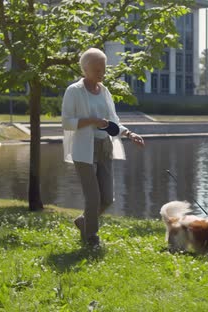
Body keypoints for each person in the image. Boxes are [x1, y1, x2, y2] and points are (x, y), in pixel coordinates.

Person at [62, 47, 145, 248]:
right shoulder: (74, 91)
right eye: (97, 69)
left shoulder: (105, 91)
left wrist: (129, 133)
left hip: (104, 146)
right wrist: (91, 121)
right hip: (84, 150)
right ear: (85, 70)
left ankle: (84, 222)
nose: (102, 73)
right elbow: (67, 123)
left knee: (107, 198)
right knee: (93, 197)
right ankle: (91, 238)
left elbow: (113, 121)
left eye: (103, 69)